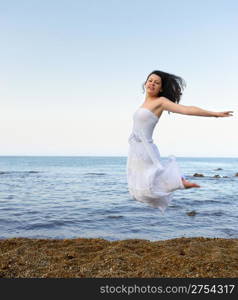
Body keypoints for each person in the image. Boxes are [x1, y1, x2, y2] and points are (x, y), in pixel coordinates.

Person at [126, 70, 233, 212]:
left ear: (161, 88)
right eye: (150, 80)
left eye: (156, 83)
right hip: (136, 149)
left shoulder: (161, 102)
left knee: (150, 180)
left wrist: (214, 114)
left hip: (145, 148)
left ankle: (181, 182)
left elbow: (187, 110)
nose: (152, 84)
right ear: (145, 82)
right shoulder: (145, 103)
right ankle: (181, 182)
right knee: (143, 187)